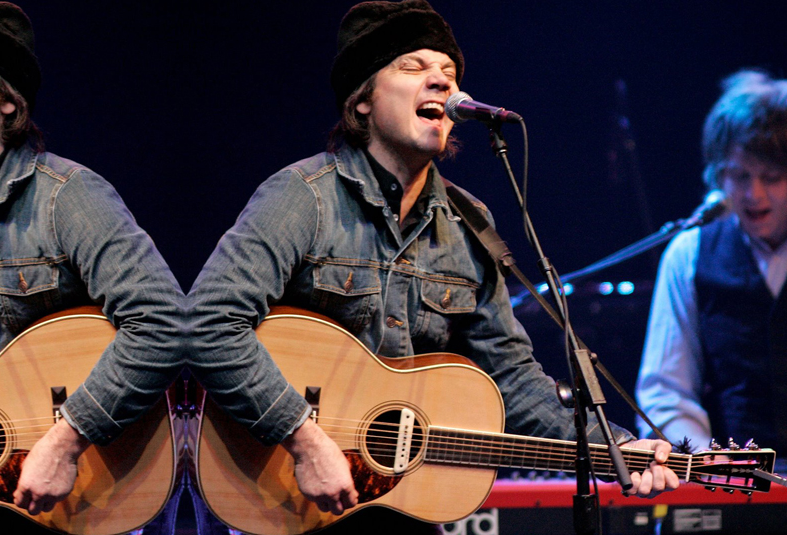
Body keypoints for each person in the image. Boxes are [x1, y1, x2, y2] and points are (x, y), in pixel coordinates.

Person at [188, 1, 678, 533]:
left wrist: (617, 448)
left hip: (396, 505)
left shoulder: (470, 223)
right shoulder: (303, 198)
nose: (441, 82)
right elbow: (208, 324)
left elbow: (509, 376)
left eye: (448, 72)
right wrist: (304, 439)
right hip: (275, 498)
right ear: (362, 101)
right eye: (413, 66)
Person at [0, 2, 184, 530]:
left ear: (9, 99)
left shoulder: (67, 197)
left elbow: (165, 323)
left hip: (67, 501)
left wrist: (66, 440)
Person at [636, 70, 787, 461]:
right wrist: (705, 461)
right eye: (740, 176)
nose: (754, 194)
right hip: (737, 482)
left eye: (772, 177)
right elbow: (666, 393)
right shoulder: (689, 253)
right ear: (719, 174)